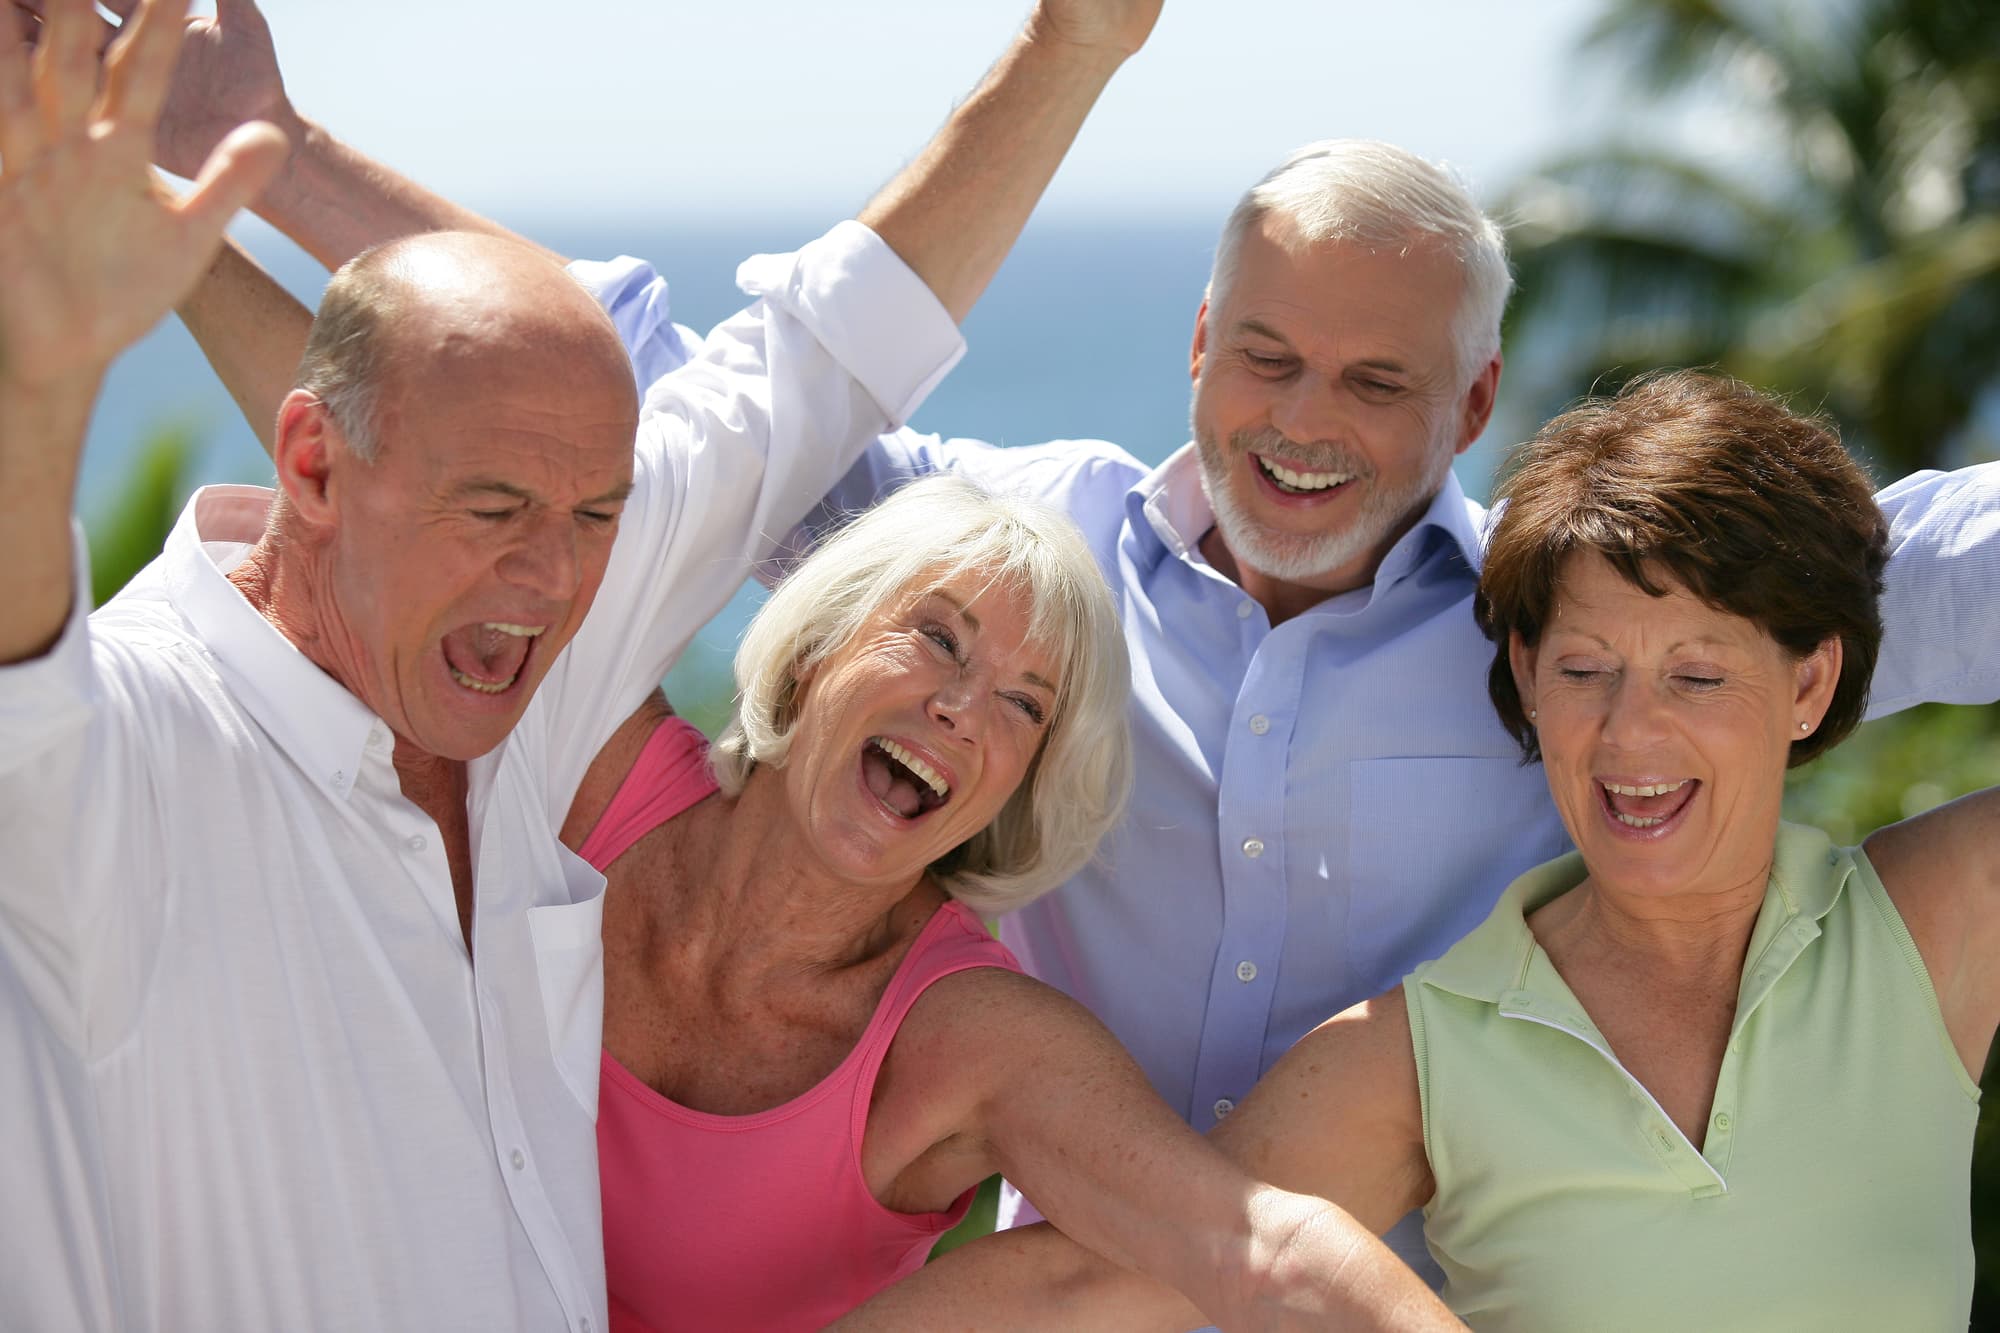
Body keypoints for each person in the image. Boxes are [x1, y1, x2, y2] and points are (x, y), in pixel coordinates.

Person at [596, 137, 2000, 1261]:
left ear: (1471, 405)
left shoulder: (1574, 636)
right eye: (1266, 356)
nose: (1303, 420)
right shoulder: (1022, 553)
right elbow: (660, 416)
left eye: (1376, 380)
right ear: (1201, 338)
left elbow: (1930, 577)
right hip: (1077, 1301)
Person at [0, 0, 1156, 1326]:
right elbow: (23, 694)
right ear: (312, 466)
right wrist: (43, 373)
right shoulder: (144, 736)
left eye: (596, 514)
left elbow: (810, 369)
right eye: (495, 511)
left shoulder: (527, 691)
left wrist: (1075, 42)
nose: (555, 576)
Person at [833, 370, 1992, 1330]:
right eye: (1584, 671)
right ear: (1528, 677)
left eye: (1695, 675)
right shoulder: (1418, 1050)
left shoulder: (1926, 926)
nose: (1629, 734)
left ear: (1808, 683)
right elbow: (1089, 1284)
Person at [558, 474, 1458, 1331]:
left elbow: (1253, 1240)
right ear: (815, 644)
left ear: (1017, 789)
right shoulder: (591, 774)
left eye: (1024, 706)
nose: (960, 708)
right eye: (941, 639)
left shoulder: (972, 1042)